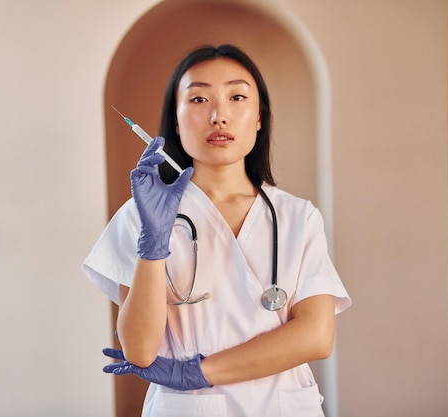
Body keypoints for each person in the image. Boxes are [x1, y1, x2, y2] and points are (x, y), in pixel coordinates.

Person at [82, 44, 351, 417]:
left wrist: (197, 373)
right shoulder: (142, 216)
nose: (218, 115)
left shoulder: (297, 216)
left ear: (259, 117)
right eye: (198, 99)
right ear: (175, 121)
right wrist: (153, 242)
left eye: (236, 96)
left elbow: (316, 337)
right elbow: (140, 350)